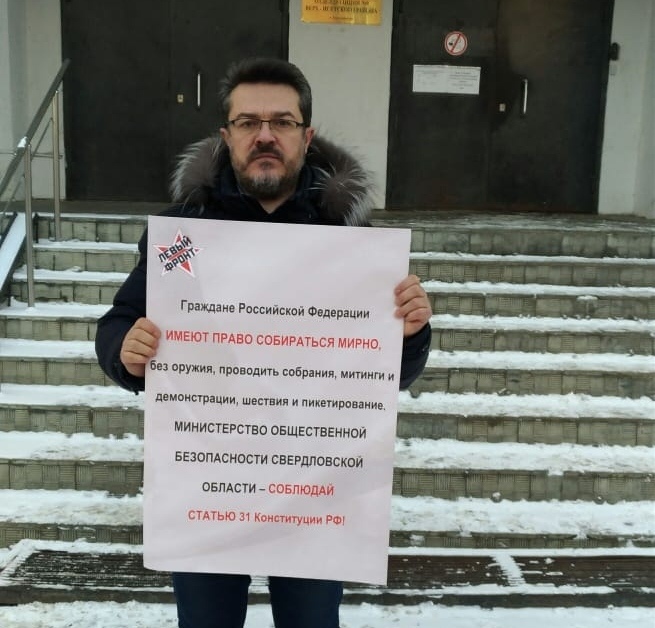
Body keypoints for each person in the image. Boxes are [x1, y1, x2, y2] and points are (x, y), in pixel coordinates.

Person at [95, 57, 432, 628]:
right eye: (249, 122)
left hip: (313, 484)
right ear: (226, 135)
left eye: (282, 121)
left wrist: (413, 332)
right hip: (209, 479)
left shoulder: (352, 243)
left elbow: (386, 375)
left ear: (307, 135)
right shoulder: (183, 235)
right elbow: (119, 322)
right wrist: (125, 350)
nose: (265, 135)